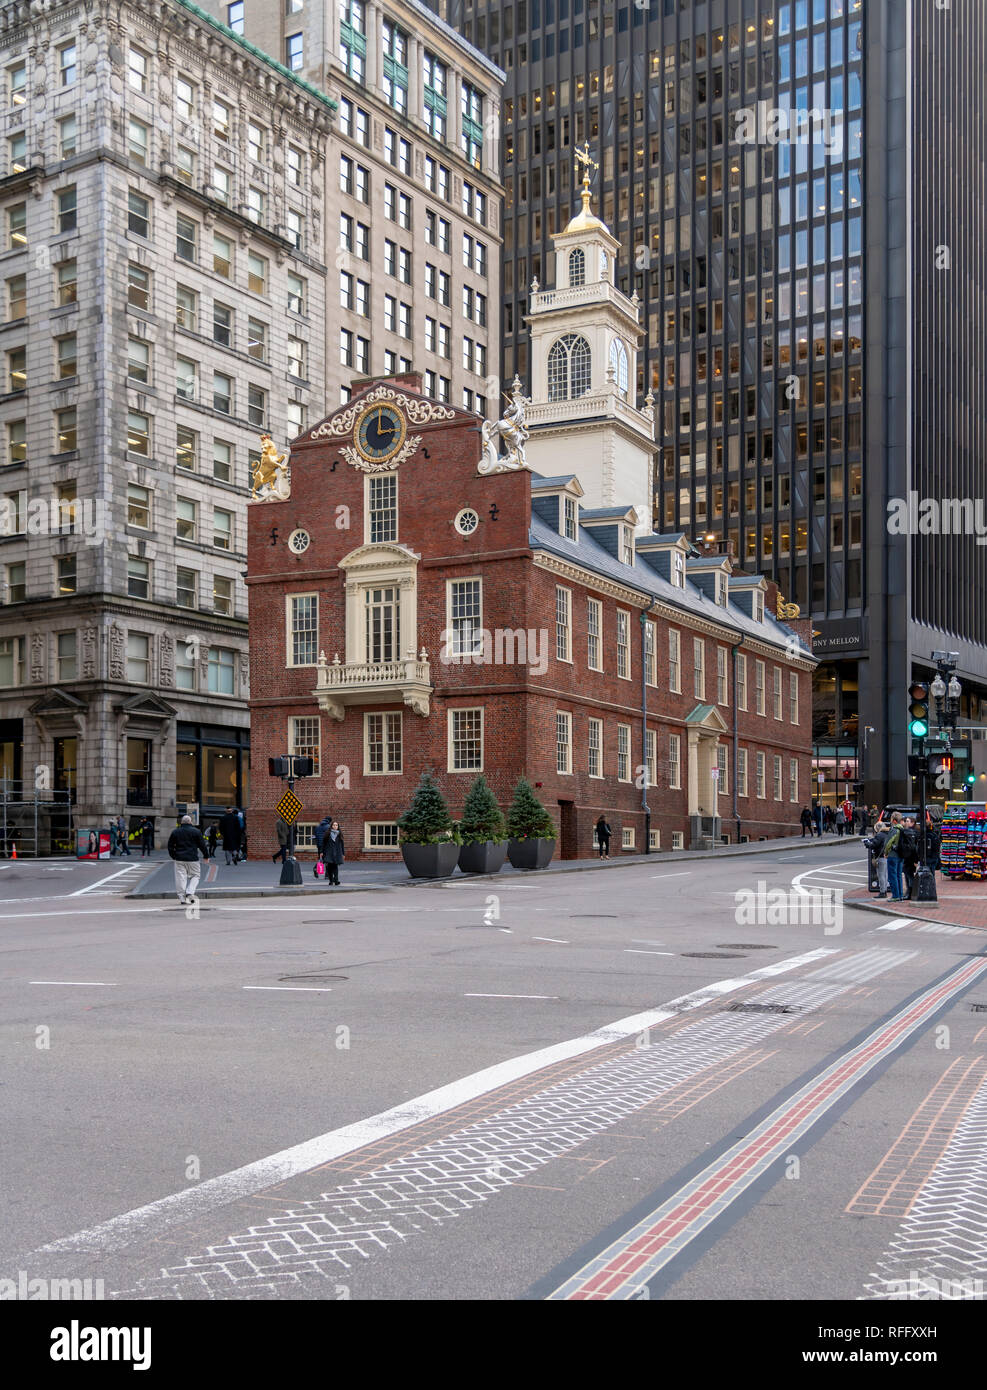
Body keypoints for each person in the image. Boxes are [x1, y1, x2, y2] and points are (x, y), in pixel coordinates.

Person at [167, 814, 210, 905]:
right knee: (196, 876)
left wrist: (174, 856)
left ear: (181, 822)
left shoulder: (175, 832)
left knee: (180, 878)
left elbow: (170, 846)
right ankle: (190, 892)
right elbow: (202, 845)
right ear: (190, 822)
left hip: (179, 858)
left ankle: (182, 898)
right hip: (193, 858)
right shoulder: (196, 831)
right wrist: (206, 856)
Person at [882, 814, 905, 901]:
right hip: (900, 855)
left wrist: (886, 852)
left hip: (893, 855)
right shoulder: (902, 829)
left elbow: (888, 843)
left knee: (892, 876)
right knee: (899, 875)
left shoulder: (894, 830)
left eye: (891, 819)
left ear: (894, 820)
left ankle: (895, 896)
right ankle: (900, 895)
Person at [866, 821, 890, 898]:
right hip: (886, 856)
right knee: (885, 874)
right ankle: (885, 890)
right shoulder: (887, 834)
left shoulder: (879, 835)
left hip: (880, 856)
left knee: (881, 875)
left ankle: (882, 892)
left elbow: (874, 845)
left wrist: (867, 843)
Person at [899, 815, 920, 898]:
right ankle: (909, 891)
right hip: (908, 857)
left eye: (908, 821)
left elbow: (914, 848)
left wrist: (915, 860)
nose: (906, 822)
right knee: (908, 875)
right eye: (906, 821)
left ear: (912, 823)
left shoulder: (911, 833)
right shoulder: (910, 832)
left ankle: (910, 891)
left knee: (909, 875)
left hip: (910, 858)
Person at [320, 820, 344, 885]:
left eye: (336, 825)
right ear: (331, 826)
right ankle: (331, 880)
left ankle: (336, 880)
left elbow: (342, 844)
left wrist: (343, 853)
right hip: (329, 852)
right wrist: (321, 851)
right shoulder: (327, 833)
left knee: (335, 866)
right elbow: (323, 843)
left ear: (338, 826)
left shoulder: (340, 834)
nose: (335, 826)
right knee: (330, 867)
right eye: (334, 825)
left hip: (337, 852)